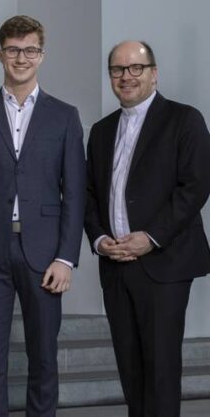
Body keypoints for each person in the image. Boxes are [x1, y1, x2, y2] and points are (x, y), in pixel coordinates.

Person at [0, 15, 86, 417]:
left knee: (43, 357)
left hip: (45, 255)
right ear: (0, 54)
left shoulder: (65, 115)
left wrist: (66, 258)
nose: (21, 57)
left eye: (30, 50)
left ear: (42, 55)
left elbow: (75, 192)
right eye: (13, 50)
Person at [84, 40, 210, 417]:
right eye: (118, 70)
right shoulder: (102, 131)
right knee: (131, 369)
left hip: (164, 265)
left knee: (160, 370)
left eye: (136, 68)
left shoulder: (184, 119)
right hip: (116, 264)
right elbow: (89, 194)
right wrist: (100, 239)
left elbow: (196, 186)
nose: (127, 76)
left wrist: (150, 238)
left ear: (154, 73)